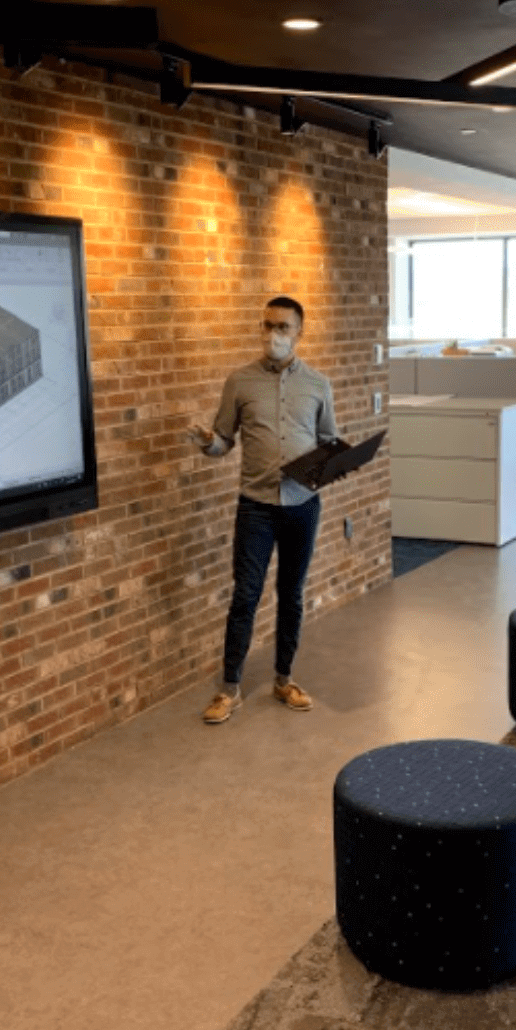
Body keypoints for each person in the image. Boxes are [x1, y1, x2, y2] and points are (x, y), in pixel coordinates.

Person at [189, 296, 337, 725]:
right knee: (245, 596)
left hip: (302, 506)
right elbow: (223, 442)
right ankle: (230, 689)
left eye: (283, 328)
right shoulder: (240, 381)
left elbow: (330, 441)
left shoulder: (317, 384)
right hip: (255, 506)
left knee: (291, 596)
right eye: (268, 326)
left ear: (299, 332)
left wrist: (329, 463)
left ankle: (283, 679)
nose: (273, 334)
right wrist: (206, 442)